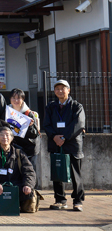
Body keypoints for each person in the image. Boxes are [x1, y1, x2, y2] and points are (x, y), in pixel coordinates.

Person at [43, 79, 85, 211]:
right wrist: (54, 137)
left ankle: (78, 201)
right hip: (56, 143)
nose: (60, 91)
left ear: (69, 90)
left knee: (75, 174)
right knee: (58, 172)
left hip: (72, 144)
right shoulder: (50, 106)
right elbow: (46, 124)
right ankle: (60, 199)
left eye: (63, 88)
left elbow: (79, 124)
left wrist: (65, 137)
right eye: (57, 89)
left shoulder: (76, 106)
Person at [0, 127, 36, 209]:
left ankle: (16, 203)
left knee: (28, 192)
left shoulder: (19, 153)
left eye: (7, 135)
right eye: (2, 135)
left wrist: (27, 185)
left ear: (12, 138)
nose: (4, 137)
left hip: (15, 184)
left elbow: (29, 171)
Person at [8, 88, 41, 180]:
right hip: (15, 147)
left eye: (18, 98)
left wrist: (30, 126)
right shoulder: (7, 112)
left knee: (29, 171)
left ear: (23, 99)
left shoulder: (29, 114)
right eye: (13, 98)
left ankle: (30, 191)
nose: (16, 100)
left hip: (29, 148)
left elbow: (34, 134)